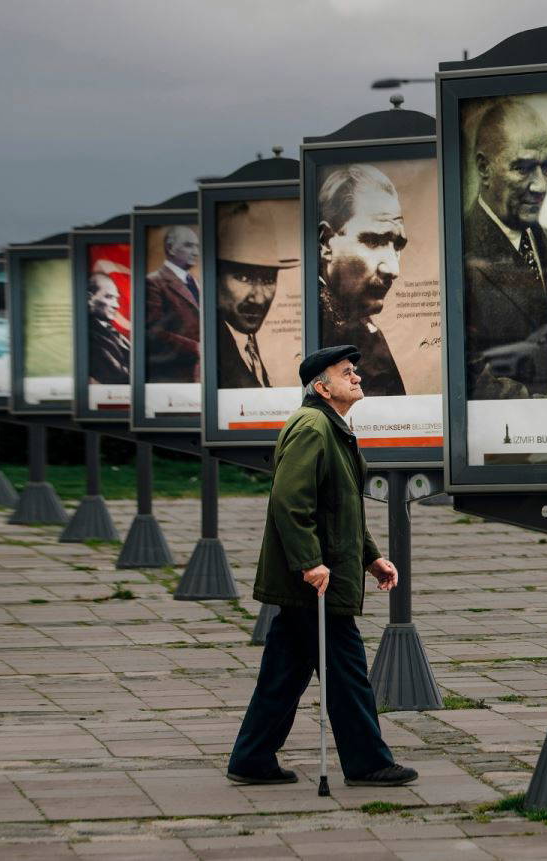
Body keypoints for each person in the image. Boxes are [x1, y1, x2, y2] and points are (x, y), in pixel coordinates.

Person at [227, 344, 418, 788]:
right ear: (322, 387)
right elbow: (290, 501)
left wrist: (371, 557)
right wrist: (309, 562)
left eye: (354, 371)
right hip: (316, 581)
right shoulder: (314, 427)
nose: (357, 377)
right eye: (346, 372)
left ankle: (251, 758)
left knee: (283, 673)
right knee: (347, 673)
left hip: (318, 576)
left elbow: (342, 505)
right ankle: (367, 762)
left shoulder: (331, 427)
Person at [462, 98, 547, 399]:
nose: (540, 186)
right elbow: (465, 368)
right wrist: (531, 410)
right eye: (523, 168)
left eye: (546, 167)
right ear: (484, 169)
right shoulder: (458, 250)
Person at [317, 164, 406, 396]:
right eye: (374, 241)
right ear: (326, 243)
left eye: (398, 245)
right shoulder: (320, 328)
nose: (393, 269)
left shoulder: (355, 320)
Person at [216, 200, 297, 389]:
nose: (259, 299)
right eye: (244, 277)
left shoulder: (248, 343)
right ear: (215, 278)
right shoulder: (203, 348)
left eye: (268, 280)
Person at [145, 225, 201, 383]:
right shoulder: (153, 282)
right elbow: (152, 333)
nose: (196, 252)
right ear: (170, 248)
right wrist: (196, 348)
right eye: (188, 245)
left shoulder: (195, 282)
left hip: (198, 374)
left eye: (197, 246)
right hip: (172, 376)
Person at [86, 272, 130, 384]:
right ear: (89, 298)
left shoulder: (108, 329)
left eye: (116, 299)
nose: (116, 305)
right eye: (109, 297)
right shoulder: (88, 335)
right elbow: (118, 377)